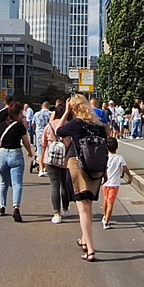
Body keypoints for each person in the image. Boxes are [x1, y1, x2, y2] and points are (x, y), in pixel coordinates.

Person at [56, 96, 110, 261]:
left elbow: (58, 131)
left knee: (82, 209)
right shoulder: (99, 125)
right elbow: (105, 145)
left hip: (78, 164)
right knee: (89, 207)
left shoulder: (75, 124)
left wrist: (65, 112)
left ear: (74, 109)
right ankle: (84, 240)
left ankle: (91, 250)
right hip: (95, 168)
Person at [0, 97, 29, 222]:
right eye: (21, 113)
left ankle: (2, 207)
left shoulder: (1, 126)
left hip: (2, 155)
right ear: (17, 114)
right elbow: (26, 142)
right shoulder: (20, 127)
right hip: (16, 154)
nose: (22, 116)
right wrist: (29, 152)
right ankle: (16, 208)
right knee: (17, 183)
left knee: (3, 182)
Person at [41, 100, 71, 224]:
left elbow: (43, 144)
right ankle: (65, 208)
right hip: (65, 159)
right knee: (64, 185)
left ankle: (56, 213)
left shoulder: (49, 126)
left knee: (54, 185)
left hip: (50, 159)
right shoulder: (69, 126)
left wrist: (42, 159)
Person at [101, 138, 130, 229]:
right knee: (110, 203)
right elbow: (125, 169)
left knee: (106, 200)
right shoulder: (119, 158)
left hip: (105, 183)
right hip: (114, 184)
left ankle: (105, 216)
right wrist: (130, 176)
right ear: (117, 147)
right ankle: (106, 222)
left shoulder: (104, 157)